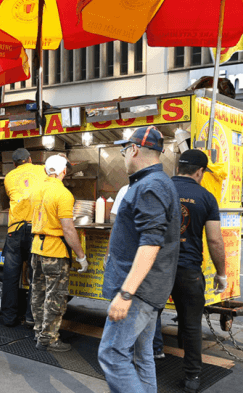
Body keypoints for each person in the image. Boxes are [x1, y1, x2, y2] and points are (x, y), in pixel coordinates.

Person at [98, 126, 181, 393]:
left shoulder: (149, 186)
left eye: (124, 150)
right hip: (149, 289)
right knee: (141, 356)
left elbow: (150, 243)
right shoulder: (158, 182)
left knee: (111, 354)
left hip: (138, 293)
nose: (123, 157)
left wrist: (125, 293)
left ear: (133, 149)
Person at [151, 150, 227, 393]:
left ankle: (143, 366)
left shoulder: (159, 188)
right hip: (189, 270)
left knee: (149, 317)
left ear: (177, 168)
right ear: (199, 171)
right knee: (191, 325)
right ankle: (192, 377)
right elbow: (215, 241)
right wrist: (221, 273)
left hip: (156, 267)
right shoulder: (206, 197)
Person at [29, 155, 87, 352]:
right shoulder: (63, 194)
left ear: (47, 170)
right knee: (55, 296)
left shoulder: (36, 190)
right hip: (55, 251)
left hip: (36, 249)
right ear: (63, 171)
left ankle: (39, 332)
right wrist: (81, 256)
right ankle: (49, 338)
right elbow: (68, 229)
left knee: (38, 293)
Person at [1, 148, 44, 327]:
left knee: (11, 276)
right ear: (30, 159)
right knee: (35, 275)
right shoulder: (41, 170)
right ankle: (31, 317)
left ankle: (9, 318)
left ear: (14, 163)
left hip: (15, 230)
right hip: (35, 229)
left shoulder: (9, 177)